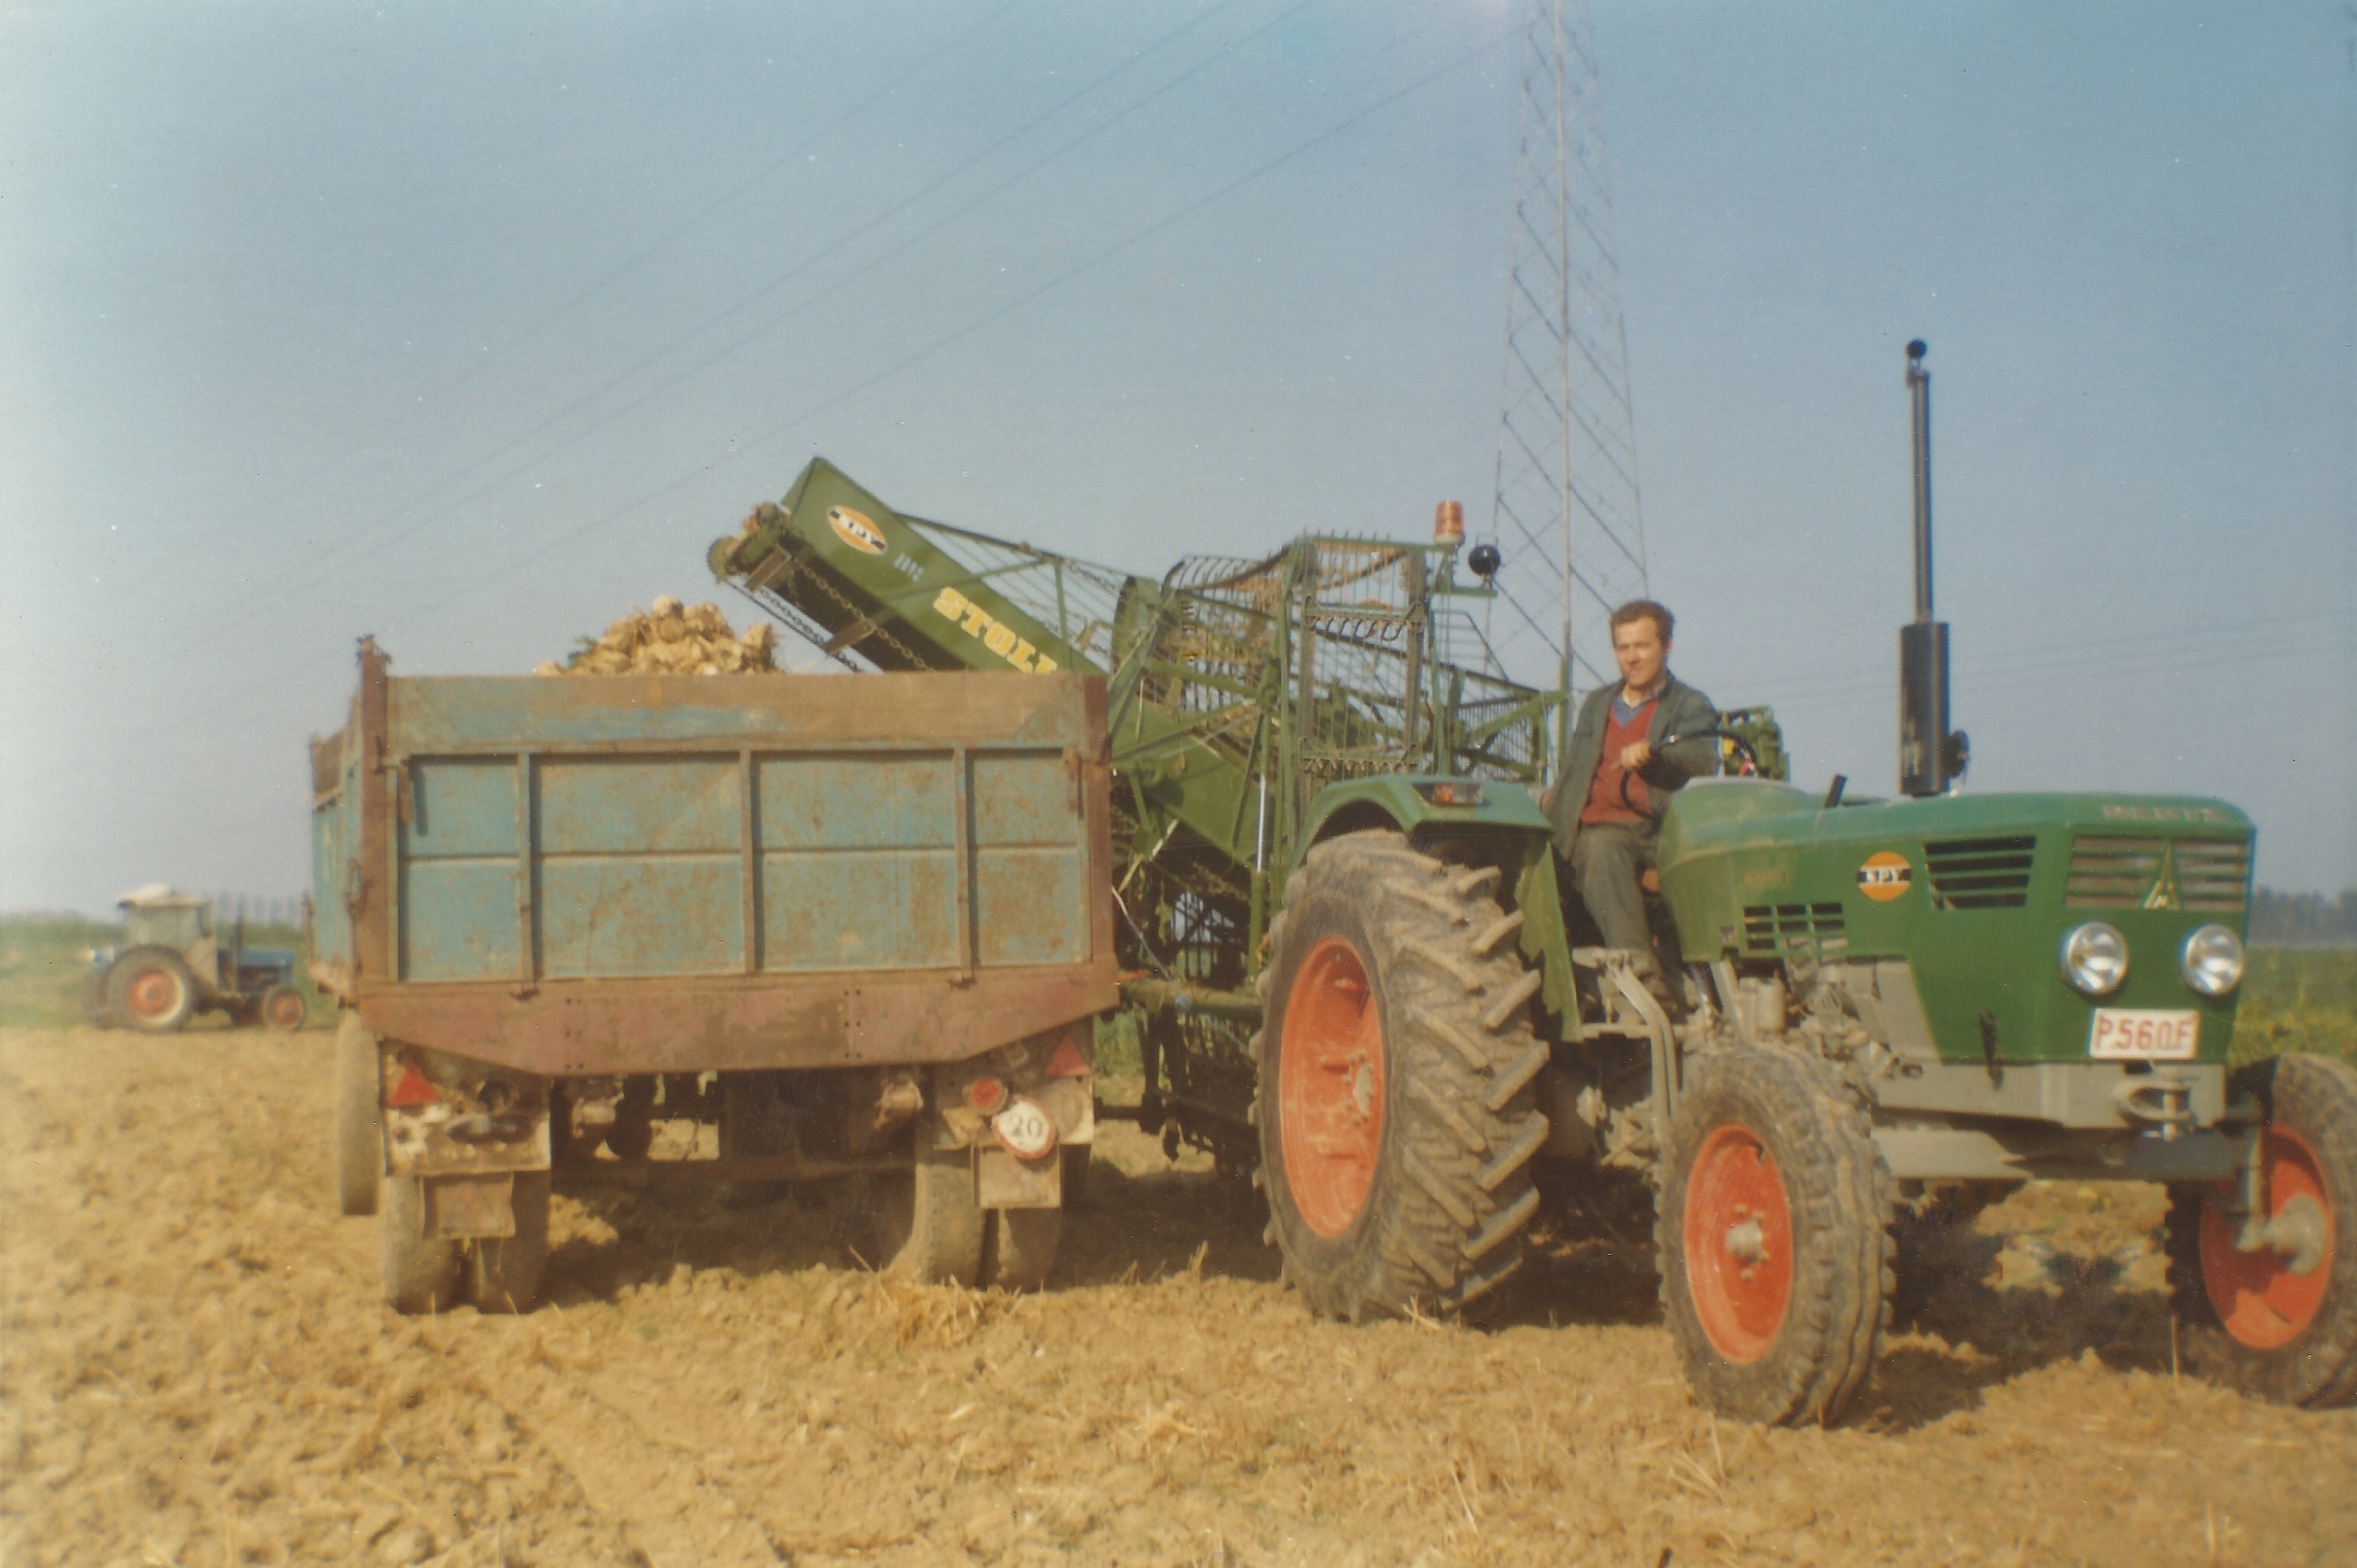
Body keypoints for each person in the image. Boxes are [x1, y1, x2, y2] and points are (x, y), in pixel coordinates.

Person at [1543, 601, 1720, 986]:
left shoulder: (1689, 704)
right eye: (1623, 648)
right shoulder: (1597, 704)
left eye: (1642, 645)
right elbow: (1574, 773)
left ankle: (1642, 974)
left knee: (1600, 847)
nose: (1631, 657)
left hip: (1653, 831)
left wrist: (1655, 757)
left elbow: (1702, 759)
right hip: (1588, 827)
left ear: (1667, 646)